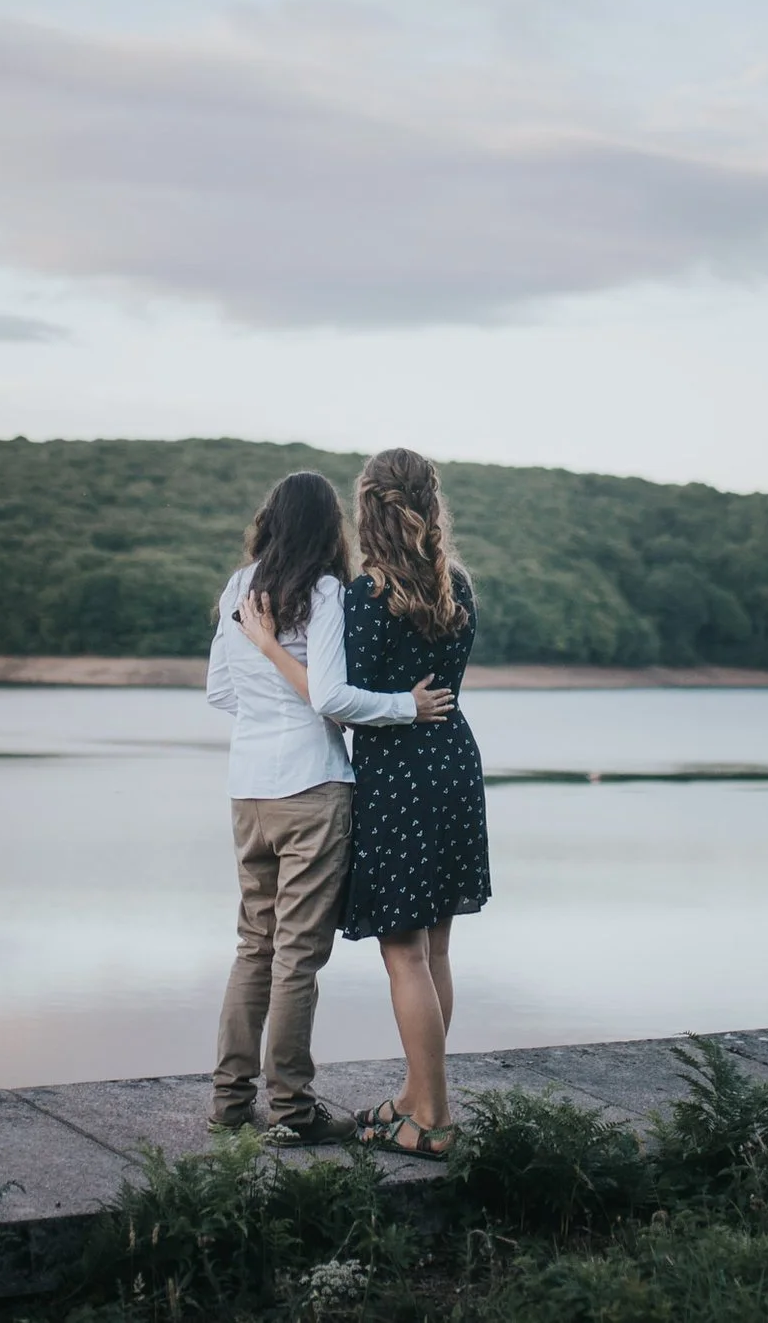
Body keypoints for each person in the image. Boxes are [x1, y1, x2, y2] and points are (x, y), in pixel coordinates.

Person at [235, 447, 488, 1158]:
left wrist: (266, 645)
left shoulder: (365, 597)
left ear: (369, 508)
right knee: (434, 946)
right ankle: (418, 1092)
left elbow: (337, 701)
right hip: (454, 763)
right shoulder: (459, 588)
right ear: (430, 506)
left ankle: (430, 1117)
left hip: (398, 774)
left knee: (403, 952)